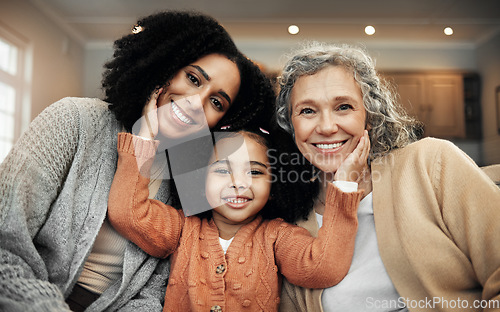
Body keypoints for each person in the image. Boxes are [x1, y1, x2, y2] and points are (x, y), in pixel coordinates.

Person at [0, 10, 276, 312]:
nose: (197, 103)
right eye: (193, 78)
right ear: (164, 65)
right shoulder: (74, 121)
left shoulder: (192, 181)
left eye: (216, 102)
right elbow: (6, 243)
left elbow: (156, 291)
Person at [274, 42, 500, 312]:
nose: (326, 127)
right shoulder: (290, 218)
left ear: (369, 116)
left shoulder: (430, 163)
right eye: (307, 111)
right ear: (290, 124)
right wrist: (343, 188)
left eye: (343, 107)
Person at [106, 119, 370, 311]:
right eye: (222, 171)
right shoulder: (182, 228)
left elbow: (323, 268)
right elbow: (127, 213)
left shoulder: (277, 237)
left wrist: (345, 184)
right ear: (200, 180)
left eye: (255, 172)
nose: (239, 183)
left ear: (274, 185)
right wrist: (144, 136)